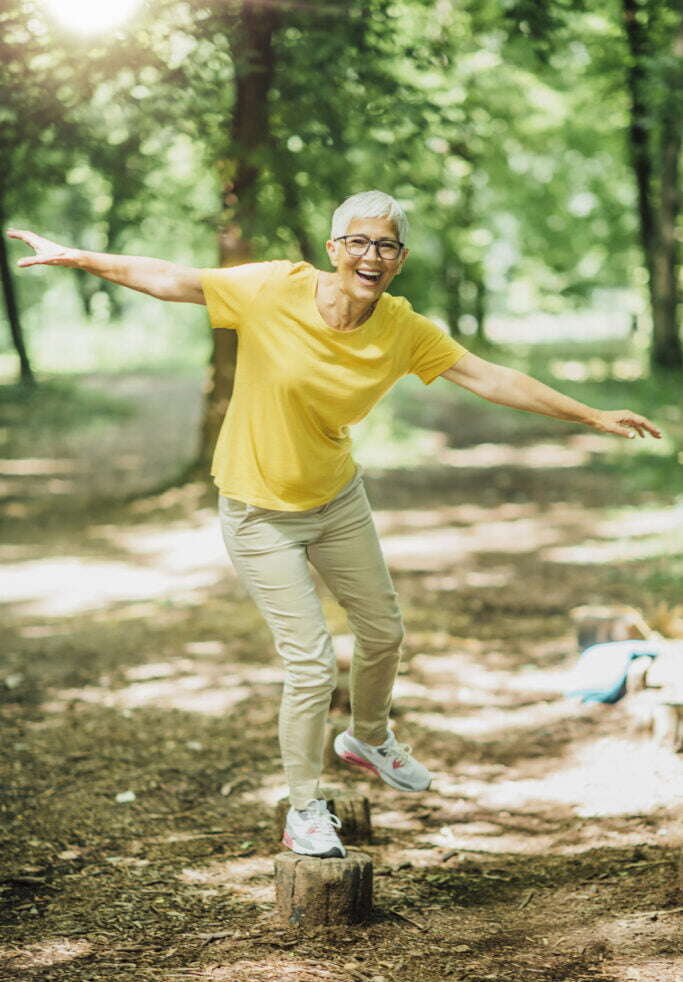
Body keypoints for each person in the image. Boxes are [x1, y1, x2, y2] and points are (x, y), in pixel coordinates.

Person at [9, 190, 661, 859]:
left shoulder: (402, 329)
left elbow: (487, 377)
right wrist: (81, 257)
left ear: (399, 259)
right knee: (312, 663)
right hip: (259, 512)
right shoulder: (273, 288)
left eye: (384, 245)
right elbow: (176, 280)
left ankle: (368, 737)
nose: (369, 255)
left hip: (336, 500)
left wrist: (590, 416)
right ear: (333, 249)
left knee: (383, 629)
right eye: (357, 241)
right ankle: (303, 808)